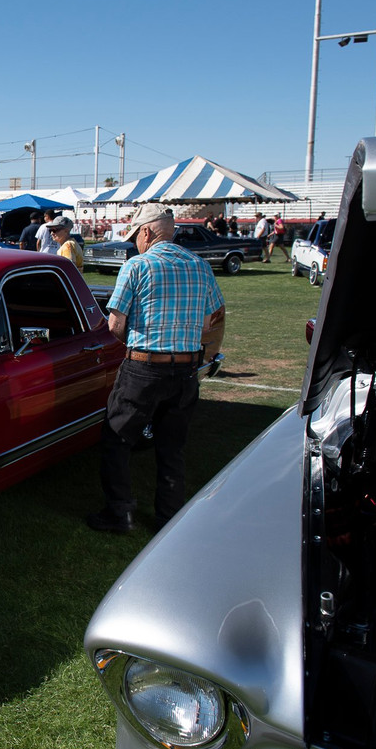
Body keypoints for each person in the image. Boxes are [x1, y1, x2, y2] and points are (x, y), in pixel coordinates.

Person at [87, 203, 225, 534]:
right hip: (186, 370)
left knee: (117, 438)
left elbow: (115, 323)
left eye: (136, 235)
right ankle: (168, 517)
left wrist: (135, 338)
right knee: (172, 446)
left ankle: (120, 513)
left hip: (144, 367)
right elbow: (209, 321)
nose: (135, 241)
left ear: (147, 232)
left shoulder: (138, 266)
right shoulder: (200, 265)